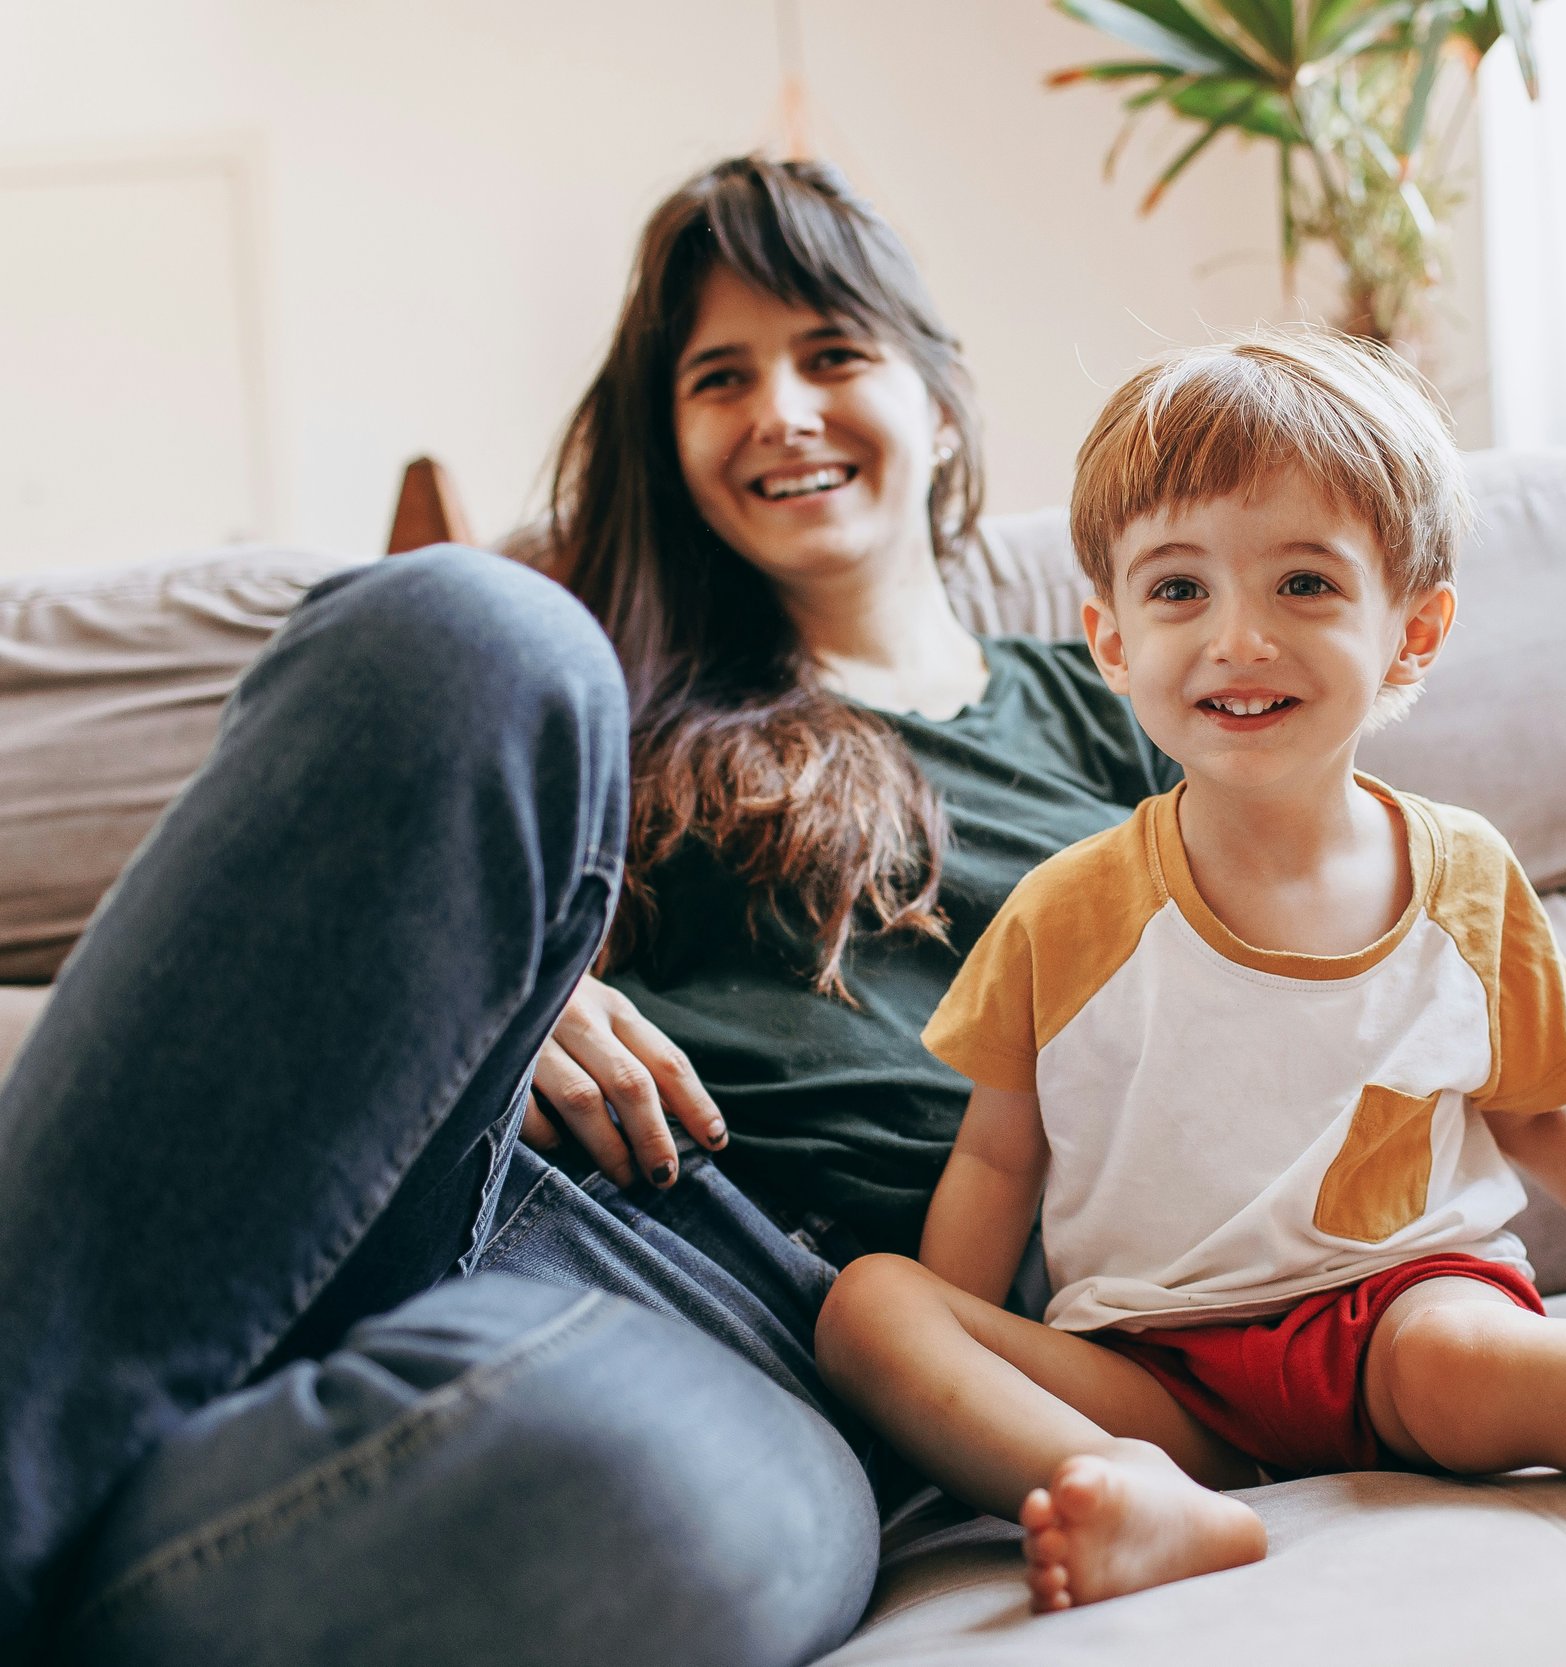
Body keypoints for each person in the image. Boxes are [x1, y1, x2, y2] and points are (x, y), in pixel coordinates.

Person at [0, 155, 1175, 1664]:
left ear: (940, 400)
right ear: (671, 441)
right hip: (486, 1174)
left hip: (818, 1355)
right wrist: (512, 983)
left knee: (625, 1502)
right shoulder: (618, 691)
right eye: (720, 376)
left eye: (830, 352)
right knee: (470, 625)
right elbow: (271, 948)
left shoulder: (1126, 710)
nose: (781, 411)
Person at [813, 328, 1566, 1614]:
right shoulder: (1061, 912)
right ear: (1110, 638)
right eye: (1179, 589)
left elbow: (1535, 1108)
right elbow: (997, 1159)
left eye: (1303, 584)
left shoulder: (1463, 877)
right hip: (1153, 1368)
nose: (1237, 636)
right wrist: (973, 1375)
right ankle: (1149, 1501)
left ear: (1411, 631)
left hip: (1400, 1313)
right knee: (870, 1304)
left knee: (1478, 1357)